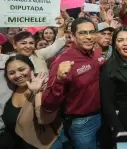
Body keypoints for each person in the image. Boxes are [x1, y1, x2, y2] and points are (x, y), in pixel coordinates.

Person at [42, 17, 104, 149]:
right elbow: (48, 103)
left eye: (92, 32)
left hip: (103, 115)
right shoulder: (62, 61)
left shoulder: (96, 53)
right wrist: (59, 80)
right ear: (72, 36)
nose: (89, 37)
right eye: (83, 33)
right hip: (82, 123)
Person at [2, 55, 61, 149]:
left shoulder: (45, 86)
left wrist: (37, 92)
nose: (17, 75)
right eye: (12, 73)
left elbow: (44, 119)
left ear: (32, 68)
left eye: (21, 69)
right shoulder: (12, 89)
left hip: (48, 145)